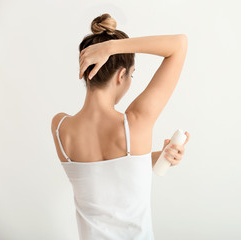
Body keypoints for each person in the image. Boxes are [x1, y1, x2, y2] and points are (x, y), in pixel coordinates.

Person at [50, 13, 189, 240]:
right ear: (121, 75)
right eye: (132, 74)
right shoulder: (136, 123)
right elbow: (179, 44)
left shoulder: (60, 128)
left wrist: (156, 157)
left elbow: (105, 173)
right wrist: (113, 47)